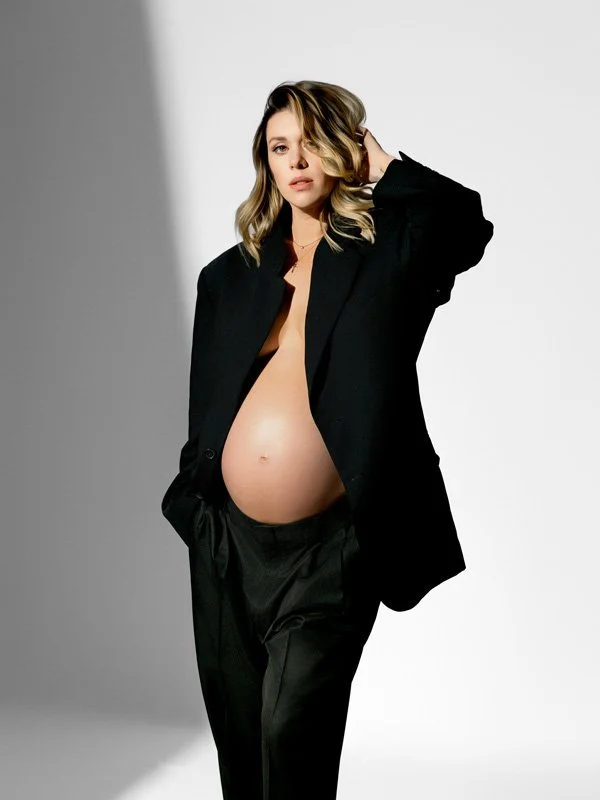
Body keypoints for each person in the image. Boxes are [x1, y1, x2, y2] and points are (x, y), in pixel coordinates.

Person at [161, 79, 494, 800]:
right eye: (280, 147)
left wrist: (384, 167)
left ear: (344, 147)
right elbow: (206, 405)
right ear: (265, 162)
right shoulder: (228, 277)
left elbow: (466, 225)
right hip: (225, 545)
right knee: (241, 752)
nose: (297, 160)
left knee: (292, 736)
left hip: (330, 551)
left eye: (313, 142)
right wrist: (195, 500)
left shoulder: (388, 254)